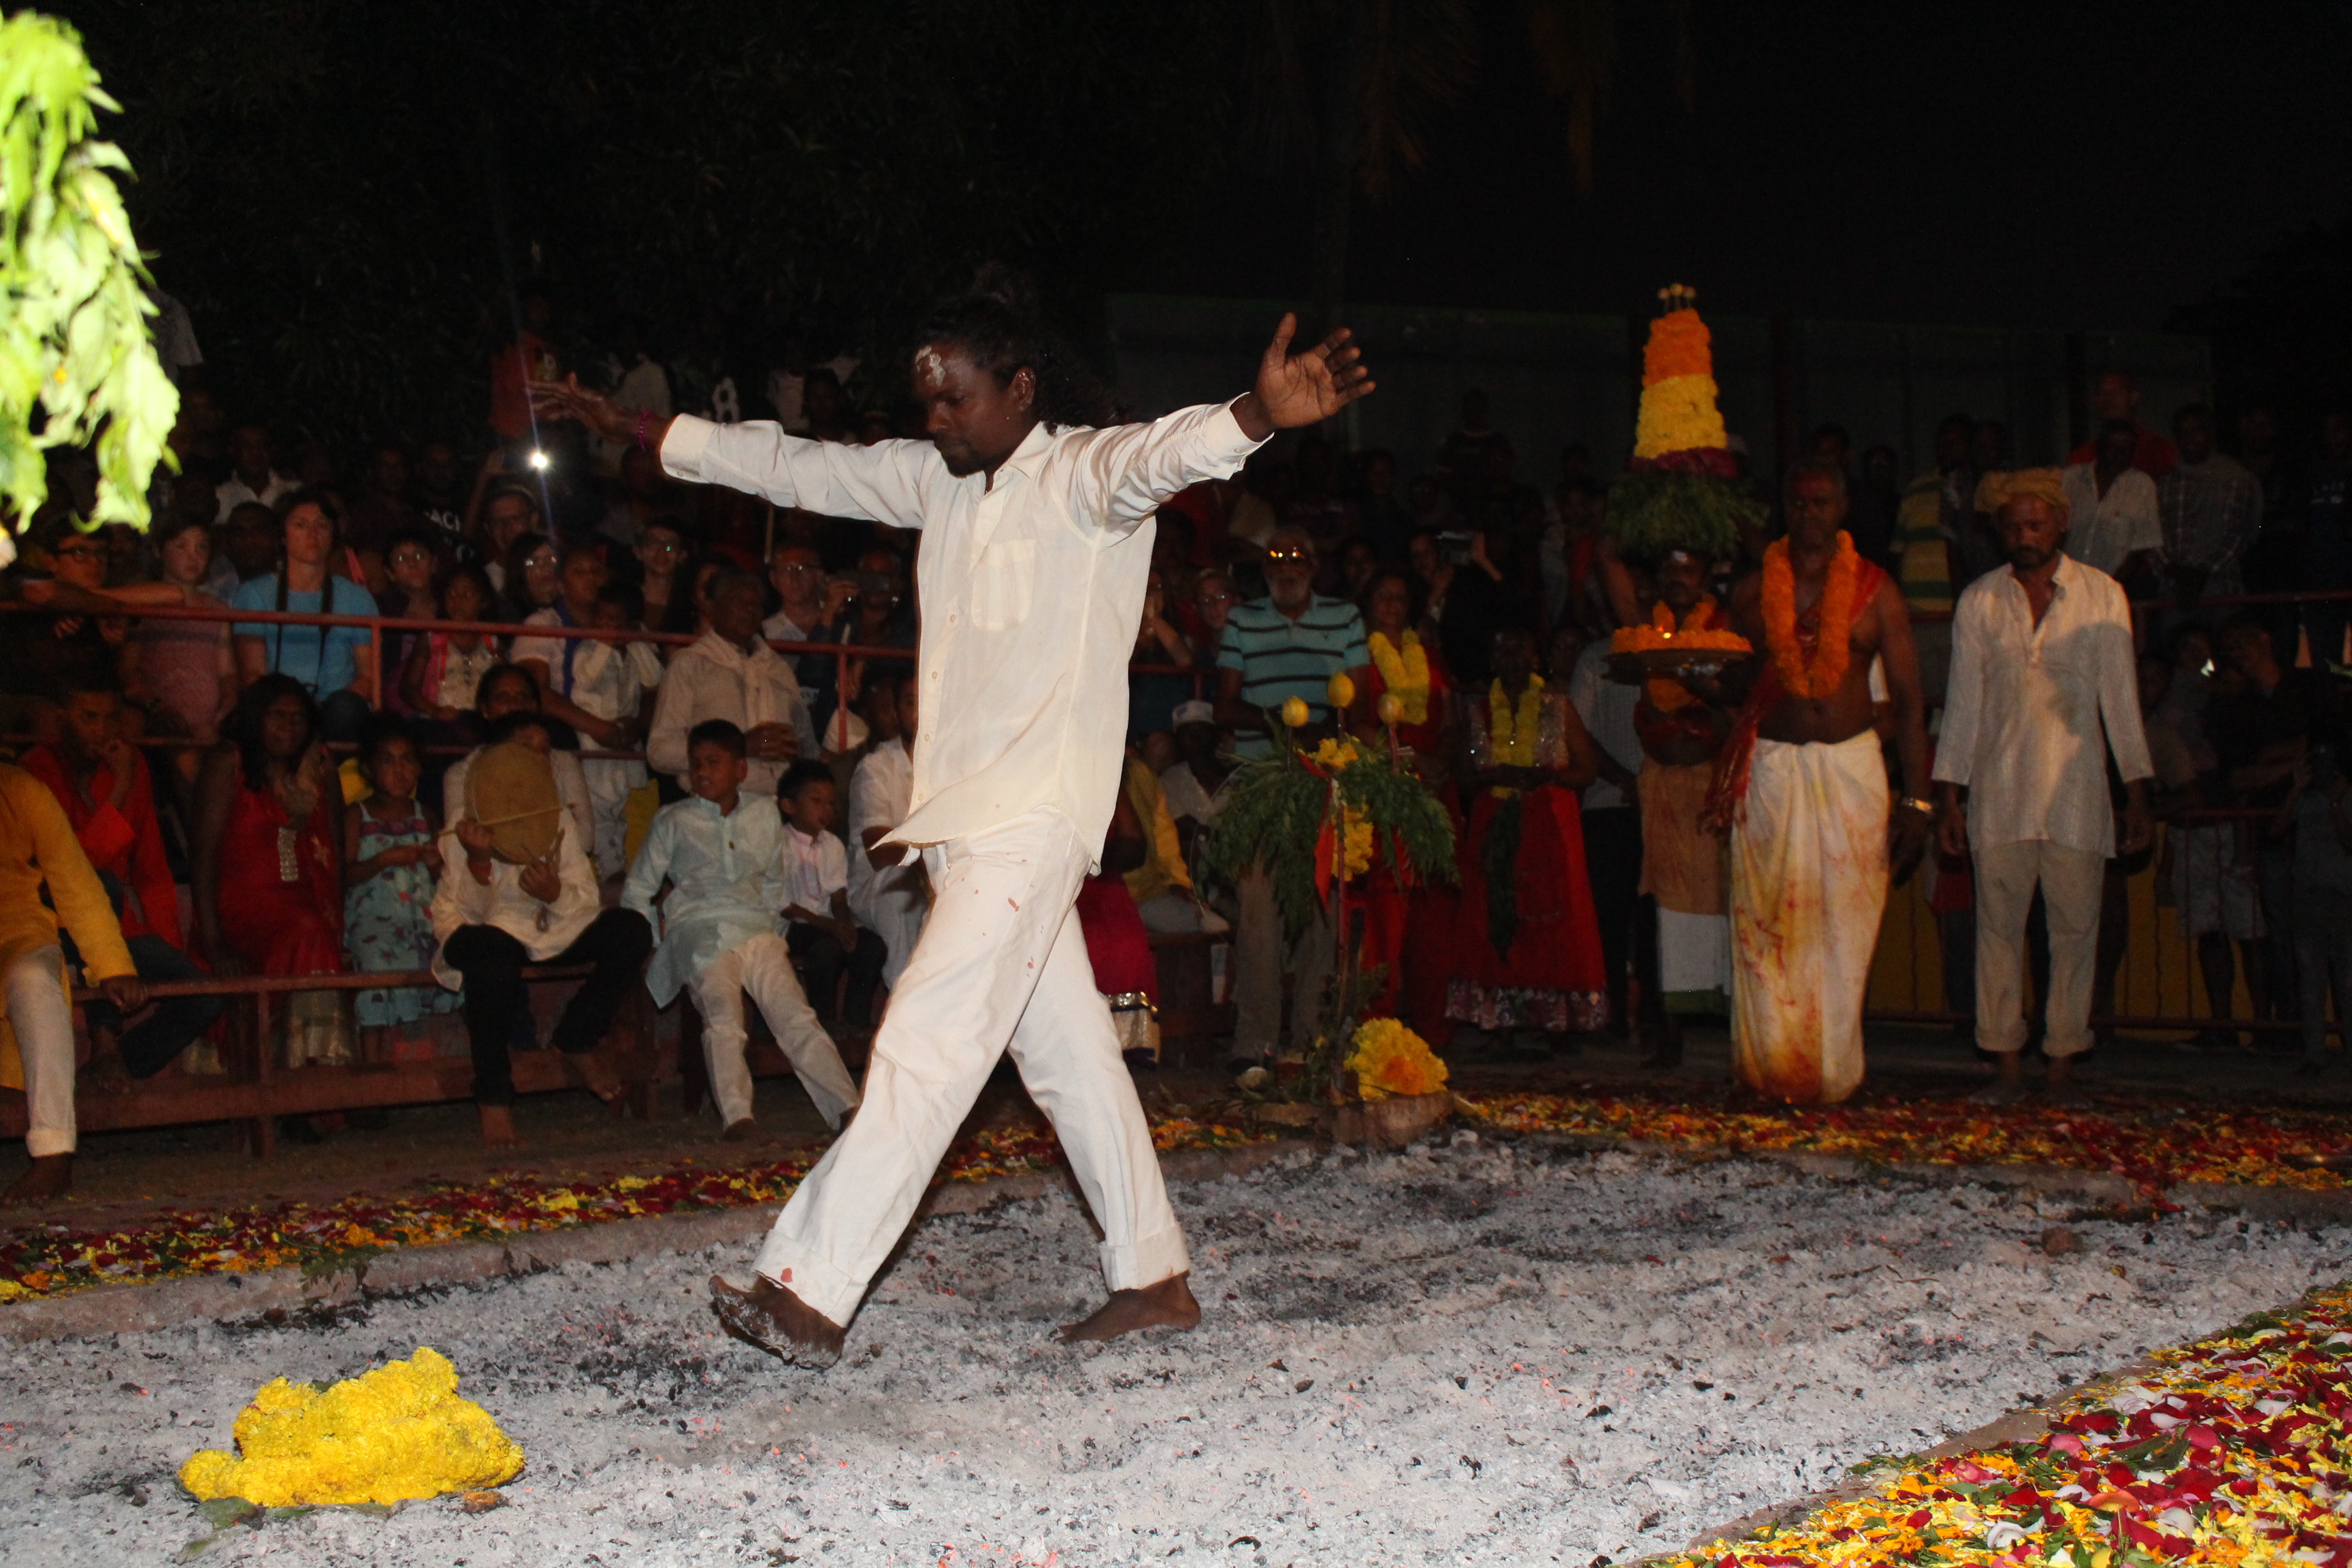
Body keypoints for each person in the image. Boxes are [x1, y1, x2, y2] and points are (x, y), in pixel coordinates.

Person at [534, 286, 1371, 1360]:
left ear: (1021, 389)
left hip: (1033, 822)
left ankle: (805, 1287)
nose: (936, 419)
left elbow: (1168, 455)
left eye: (956, 399)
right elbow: (797, 465)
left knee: (927, 1039)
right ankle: (1154, 1274)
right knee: (1071, 1060)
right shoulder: (935, 480)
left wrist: (1253, 417)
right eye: (926, 401)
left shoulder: (1083, 476)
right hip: (966, 830)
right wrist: (643, 430)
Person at [1711, 458, 1931, 1103]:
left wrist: (1916, 798)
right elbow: (1727, 680)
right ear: (1787, 508)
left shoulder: (1876, 589)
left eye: (1822, 501)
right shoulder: (1752, 593)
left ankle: (1832, 1074)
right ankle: (1768, 1069)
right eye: (1799, 502)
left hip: (1850, 769)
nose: (1810, 513)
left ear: (1842, 509)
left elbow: (1912, 702)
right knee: (1766, 921)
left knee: (1845, 920)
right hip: (1774, 768)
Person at [1933, 470, 2153, 1102]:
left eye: (2035, 524)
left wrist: (2137, 790)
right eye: (2013, 526)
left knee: (2074, 932)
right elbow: (1964, 706)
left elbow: (2121, 700)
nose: (2024, 536)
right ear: (1999, 530)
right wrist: (1949, 793)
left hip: (2078, 797)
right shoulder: (1979, 600)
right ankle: (2005, 1067)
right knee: (1997, 932)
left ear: (2061, 524)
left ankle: (2060, 1068)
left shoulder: (2102, 595)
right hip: (1999, 797)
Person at [624, 721, 861, 1139]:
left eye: (713, 763)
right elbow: (638, 890)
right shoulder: (674, 819)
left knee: (795, 1014)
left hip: (756, 927)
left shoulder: (763, 813)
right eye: (696, 764)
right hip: (699, 930)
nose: (702, 773)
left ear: (740, 770)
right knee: (723, 1013)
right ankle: (738, 1117)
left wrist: (772, 929)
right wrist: (658, 941)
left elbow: (773, 881)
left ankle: (846, 1107)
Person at [430, 711, 654, 1147]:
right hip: (484, 930)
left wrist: (554, 893)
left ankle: (577, 1036)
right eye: (524, 750)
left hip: (550, 928)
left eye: (543, 751)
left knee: (630, 930)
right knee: (492, 954)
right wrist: (478, 861)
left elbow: (585, 900)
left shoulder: (557, 817)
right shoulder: (467, 817)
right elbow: (468, 914)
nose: (538, 760)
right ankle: (494, 1097)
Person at [1215, 526, 1373, 1063]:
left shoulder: (1345, 619)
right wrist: (1284, 728)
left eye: (1298, 559)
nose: (1287, 567)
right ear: (1265, 569)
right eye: (1277, 559)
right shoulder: (1242, 619)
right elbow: (1225, 705)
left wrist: (1319, 737)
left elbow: (1362, 706)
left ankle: (1314, 1040)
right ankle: (1255, 1043)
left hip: (1325, 783)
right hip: (1262, 783)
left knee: (1322, 918)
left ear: (1313, 567)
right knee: (1259, 915)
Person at [18, 674, 223, 1080]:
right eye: (88, 717)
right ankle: (104, 1037)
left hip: (114, 934)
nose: (102, 730)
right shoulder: (35, 770)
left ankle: (109, 1071)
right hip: (47, 926)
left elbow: (152, 871)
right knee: (102, 887)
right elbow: (68, 873)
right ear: (62, 719)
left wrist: (165, 945)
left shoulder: (129, 764)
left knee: (203, 996)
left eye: (111, 718)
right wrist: (120, 789)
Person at [1448, 625, 1607, 1054]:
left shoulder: (1558, 707)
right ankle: (1499, 1025)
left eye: (1521, 649)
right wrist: (1492, 778)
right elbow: (1461, 777)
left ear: (1536, 659)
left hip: (1548, 825)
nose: (1513, 658)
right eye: (1504, 650)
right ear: (1493, 661)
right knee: (1494, 918)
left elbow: (1587, 770)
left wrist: (1547, 776)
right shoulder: (1477, 712)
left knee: (1552, 921)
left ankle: (1552, 1023)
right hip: (1493, 822)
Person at [0, 764, 144, 1205]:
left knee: (34, 979)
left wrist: (112, 963)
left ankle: (54, 1154)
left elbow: (74, 880)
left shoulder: (21, 791)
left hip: (16, 929)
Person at [192, 676, 350, 1072]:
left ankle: (312, 1081)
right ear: (255, 718)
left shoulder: (320, 765)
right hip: (240, 910)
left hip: (304, 905)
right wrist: (214, 944)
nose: (288, 727)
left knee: (313, 931)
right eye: (277, 717)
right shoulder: (228, 762)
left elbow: (335, 854)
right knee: (308, 932)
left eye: (298, 718)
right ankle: (302, 1079)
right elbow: (204, 856)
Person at [1629, 549, 1735, 1062]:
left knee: (1728, 908)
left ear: (1703, 578)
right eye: (1667, 568)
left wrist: (1703, 704)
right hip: (1667, 794)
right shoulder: (1646, 634)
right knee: (1664, 914)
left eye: (1687, 568)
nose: (1677, 577)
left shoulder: (1726, 630)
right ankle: (1668, 1031)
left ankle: (1744, 1032)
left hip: (1713, 792)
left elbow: (1738, 706)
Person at [1566, 599, 1656, 1051]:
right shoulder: (1595, 657)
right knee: (1610, 919)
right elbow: (1575, 732)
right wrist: (1626, 779)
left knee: (1657, 917)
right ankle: (1612, 1015)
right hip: (1609, 802)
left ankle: (1658, 1019)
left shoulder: (1668, 654)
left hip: (1663, 805)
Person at [342, 717, 458, 1060]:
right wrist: (384, 859)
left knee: (457, 955)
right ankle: (371, 1072)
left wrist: (437, 866)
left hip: (424, 918)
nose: (399, 770)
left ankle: (472, 1065)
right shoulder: (356, 816)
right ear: (368, 769)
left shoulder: (427, 814)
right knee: (376, 964)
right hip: (375, 921)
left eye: (408, 760)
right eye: (387, 761)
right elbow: (344, 876)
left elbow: (445, 879)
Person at [647, 570, 819, 798]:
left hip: (773, 807)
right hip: (714, 808)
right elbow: (661, 750)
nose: (750, 610)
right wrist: (739, 746)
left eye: (756, 605)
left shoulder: (777, 669)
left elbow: (807, 748)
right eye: (739, 602)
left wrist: (792, 751)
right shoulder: (691, 664)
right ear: (712, 609)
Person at [231, 489, 380, 742]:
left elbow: (367, 676)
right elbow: (253, 674)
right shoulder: (254, 594)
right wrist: (295, 711)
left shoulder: (357, 599)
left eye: (322, 525)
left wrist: (319, 710)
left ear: (333, 534)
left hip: (333, 713)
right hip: (275, 710)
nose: (313, 534)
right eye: (301, 525)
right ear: (283, 536)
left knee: (348, 710)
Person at [438, 662, 600, 867]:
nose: (514, 704)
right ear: (485, 709)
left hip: (557, 873)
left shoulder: (562, 762)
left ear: (534, 706)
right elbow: (457, 848)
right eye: (502, 698)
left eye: (522, 697)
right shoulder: (461, 774)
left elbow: (584, 840)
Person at [776, 760, 886, 1032]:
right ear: (789, 806)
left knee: (871, 946)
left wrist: (845, 925)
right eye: (816, 801)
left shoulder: (832, 844)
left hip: (826, 925)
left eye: (830, 803)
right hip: (793, 927)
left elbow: (838, 896)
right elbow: (785, 907)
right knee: (826, 949)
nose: (826, 810)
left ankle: (855, 1019)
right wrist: (831, 927)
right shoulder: (778, 843)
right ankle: (822, 1021)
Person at [126, 518, 237, 778]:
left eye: (202, 548)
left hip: (209, 720)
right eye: (181, 547)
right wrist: (156, 706)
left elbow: (227, 674)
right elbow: (128, 673)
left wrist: (223, 713)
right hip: (161, 715)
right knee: (184, 754)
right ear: (158, 550)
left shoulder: (217, 609)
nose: (193, 557)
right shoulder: (141, 603)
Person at [2276, 738, 2352, 1073]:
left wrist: (2336, 805)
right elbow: (2275, 829)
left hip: (2343, 898)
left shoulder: (2348, 798)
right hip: (2308, 898)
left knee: (2347, 983)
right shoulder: (2304, 799)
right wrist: (2295, 790)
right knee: (2311, 981)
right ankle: (2314, 1054)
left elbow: (2350, 844)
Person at [847, 674, 928, 987]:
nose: (921, 712)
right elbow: (881, 851)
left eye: (927, 701)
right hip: (877, 886)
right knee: (901, 886)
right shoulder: (877, 767)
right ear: (896, 712)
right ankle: (902, 993)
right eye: (911, 702)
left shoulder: (951, 767)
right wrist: (929, 868)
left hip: (936, 877)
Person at [1890, 414, 1974, 702]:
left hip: (1961, 615)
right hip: (1918, 615)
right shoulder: (1917, 488)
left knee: (1961, 701)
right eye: (1943, 443)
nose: (1947, 448)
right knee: (1920, 701)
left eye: (1955, 442)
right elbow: (1897, 552)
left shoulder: (1980, 489)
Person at [2156, 404, 2263, 622]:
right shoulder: (2165, 482)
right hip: (2176, 591)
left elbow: (2241, 534)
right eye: (2183, 432)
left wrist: (2202, 573)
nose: (2190, 438)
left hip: (2222, 588)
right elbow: (2154, 533)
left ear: (2211, 433)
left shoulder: (2236, 478)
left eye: (2197, 430)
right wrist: (2173, 570)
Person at [2059, 419, 2162, 585]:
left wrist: (2112, 586)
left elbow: (2143, 545)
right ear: (2099, 447)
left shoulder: (2141, 485)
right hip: (2068, 582)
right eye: (2113, 448)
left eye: (2126, 450)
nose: (2119, 456)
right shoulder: (2071, 479)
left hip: (2111, 584)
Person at [2304, 411, 2352, 671]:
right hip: (2321, 578)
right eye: (2331, 431)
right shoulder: (2311, 473)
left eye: (2343, 430)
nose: (2338, 438)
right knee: (2327, 665)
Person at [2065, 372, 2178, 477]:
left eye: (2116, 393)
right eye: (2102, 394)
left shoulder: (2160, 451)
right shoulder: (2083, 457)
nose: (2108, 399)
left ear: (2134, 397)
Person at [212, 422, 294, 521]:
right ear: (232, 450)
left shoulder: (293, 491)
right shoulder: (219, 496)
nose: (255, 452)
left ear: (271, 449)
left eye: (261, 445)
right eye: (247, 446)